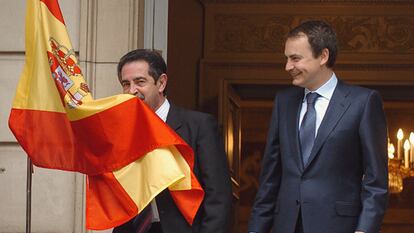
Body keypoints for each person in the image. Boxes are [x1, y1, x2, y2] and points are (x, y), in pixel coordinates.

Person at [247, 20, 388, 233]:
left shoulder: (363, 102)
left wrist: (364, 230)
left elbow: (376, 181)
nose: (287, 67)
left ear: (323, 56)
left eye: (295, 59)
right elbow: (270, 178)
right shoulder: (283, 102)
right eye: (286, 59)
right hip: (285, 225)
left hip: (339, 226)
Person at [113, 49, 232, 233]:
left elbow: (218, 198)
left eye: (140, 82)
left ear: (161, 83)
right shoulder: (122, 132)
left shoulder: (199, 126)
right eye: (126, 84)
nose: (131, 91)